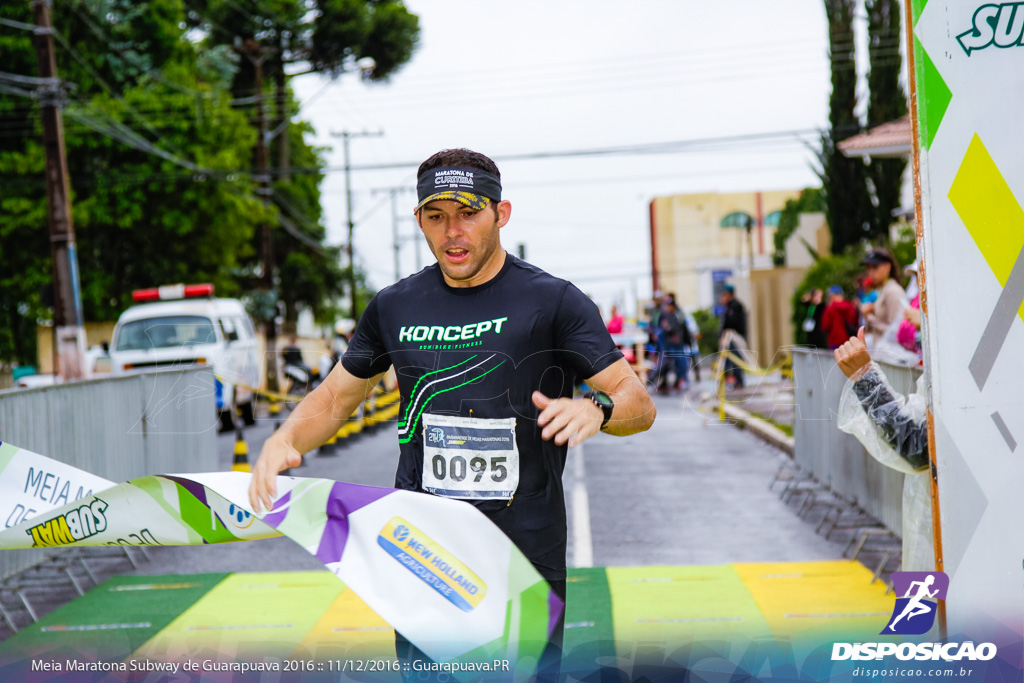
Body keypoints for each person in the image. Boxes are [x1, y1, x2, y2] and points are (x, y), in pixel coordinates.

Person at [248, 148, 657, 680]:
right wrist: (285, 438)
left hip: (523, 552)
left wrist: (595, 408)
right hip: (423, 551)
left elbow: (637, 402)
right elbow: (335, 399)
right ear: (419, 220)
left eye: (468, 213)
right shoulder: (396, 306)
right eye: (436, 217)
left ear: (500, 213)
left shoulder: (553, 301)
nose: (452, 232)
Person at [834, 326, 933, 572]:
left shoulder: (968, 351)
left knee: (918, 610)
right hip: (939, 533)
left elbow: (919, 447)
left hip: (953, 542)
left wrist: (865, 377)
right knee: (916, 609)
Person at [860, 247, 905, 342]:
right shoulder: (882, 290)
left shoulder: (893, 291)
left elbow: (897, 332)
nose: (871, 272)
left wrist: (869, 317)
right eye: (868, 268)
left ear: (888, 267)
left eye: (875, 267)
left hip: (891, 355)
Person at [719, 284, 747, 388]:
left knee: (736, 358)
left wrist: (724, 335)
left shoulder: (735, 306)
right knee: (731, 359)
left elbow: (731, 323)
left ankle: (739, 380)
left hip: (735, 338)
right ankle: (734, 379)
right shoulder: (729, 307)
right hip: (731, 337)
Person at [821, 286, 858, 350]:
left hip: (833, 340)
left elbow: (825, 326)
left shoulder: (829, 308)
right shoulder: (849, 306)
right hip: (847, 339)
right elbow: (854, 321)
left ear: (832, 296)